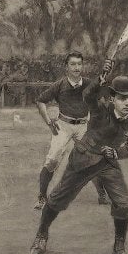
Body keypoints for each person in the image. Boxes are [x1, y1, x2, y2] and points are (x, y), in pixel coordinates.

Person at [30, 40, 128, 254]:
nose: (127, 103)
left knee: (123, 205)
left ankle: (119, 249)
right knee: (56, 201)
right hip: (83, 159)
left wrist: (117, 154)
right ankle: (41, 236)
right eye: (122, 98)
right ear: (112, 98)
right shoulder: (100, 108)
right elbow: (89, 95)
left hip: (107, 163)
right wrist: (102, 77)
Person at [33, 51, 95, 209]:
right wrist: (48, 121)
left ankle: (101, 193)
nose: (76, 67)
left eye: (79, 64)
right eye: (72, 64)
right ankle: (41, 197)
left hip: (83, 126)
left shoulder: (89, 83)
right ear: (66, 67)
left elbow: (102, 93)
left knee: (94, 159)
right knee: (53, 159)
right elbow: (40, 101)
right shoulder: (59, 85)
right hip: (63, 126)